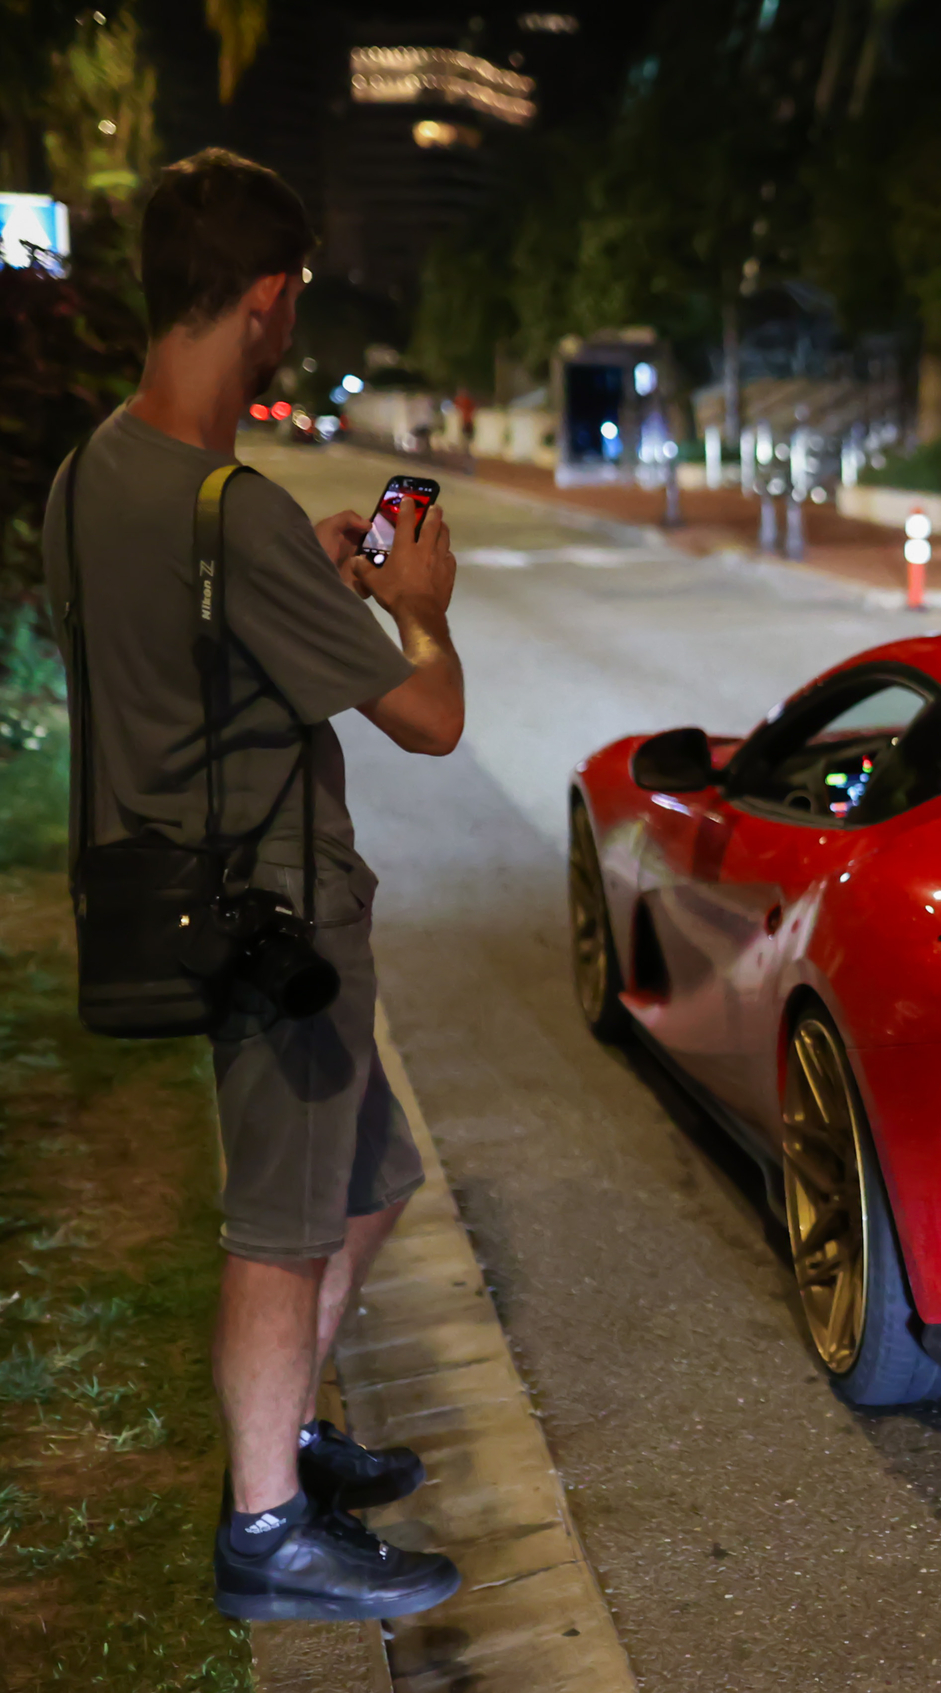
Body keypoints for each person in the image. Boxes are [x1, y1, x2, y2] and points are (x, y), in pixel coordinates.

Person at [38, 149, 468, 1622]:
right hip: (275, 916)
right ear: (271, 302)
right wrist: (418, 610)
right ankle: (267, 1531)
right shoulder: (237, 503)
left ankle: (278, 1434)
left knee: (374, 1179)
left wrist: (306, 586)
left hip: (156, 883)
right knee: (281, 1224)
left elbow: (153, 647)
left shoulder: (91, 472)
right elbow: (430, 718)